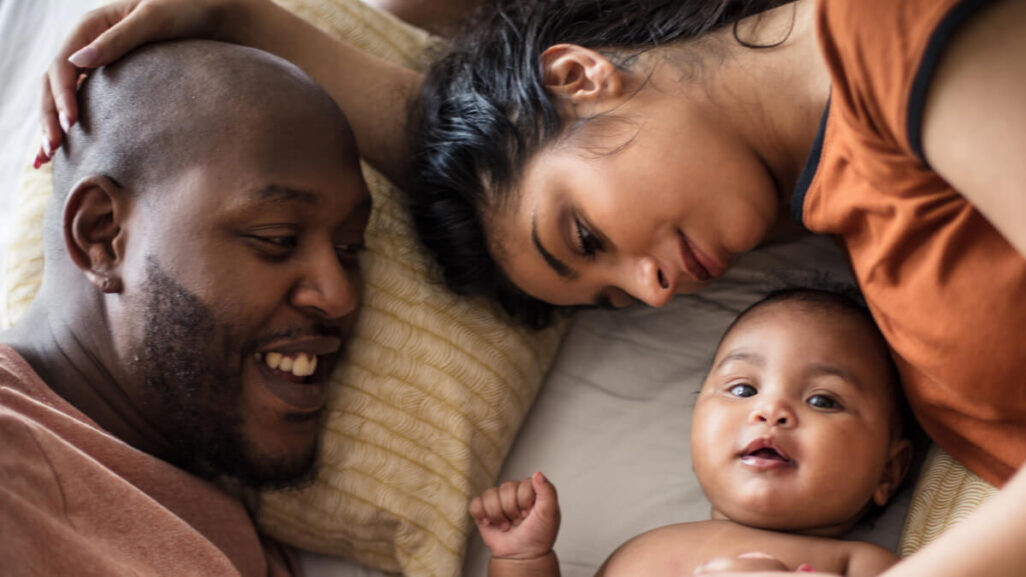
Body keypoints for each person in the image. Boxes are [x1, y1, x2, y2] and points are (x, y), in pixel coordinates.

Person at [35, 0, 1026, 574]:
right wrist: (244, 15)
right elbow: (484, 141)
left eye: (586, 237)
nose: (647, 291)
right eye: (603, 293)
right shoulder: (809, 179)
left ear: (585, 75)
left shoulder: (882, 30)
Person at [2, 38, 371, 575]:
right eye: (276, 237)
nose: (340, 296)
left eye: (350, 249)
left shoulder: (227, 526)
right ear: (102, 236)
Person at [470, 289, 914, 577]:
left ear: (888, 473)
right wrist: (522, 560)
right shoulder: (640, 552)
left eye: (823, 400)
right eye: (743, 388)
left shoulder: (862, 566)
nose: (770, 410)